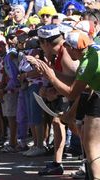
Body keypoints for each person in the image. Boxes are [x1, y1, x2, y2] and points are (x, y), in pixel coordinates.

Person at [34, 30, 100, 180]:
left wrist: (51, 76)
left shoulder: (86, 64)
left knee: (93, 149)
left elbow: (72, 93)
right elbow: (79, 83)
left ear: (71, 48)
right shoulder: (93, 51)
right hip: (96, 95)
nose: (64, 50)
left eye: (66, 46)